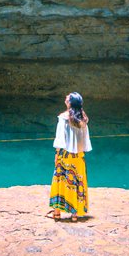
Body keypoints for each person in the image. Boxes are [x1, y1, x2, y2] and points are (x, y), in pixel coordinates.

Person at [47, 92, 92, 221]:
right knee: (77, 182)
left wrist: (57, 154)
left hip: (65, 155)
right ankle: (75, 214)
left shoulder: (63, 118)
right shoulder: (83, 119)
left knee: (60, 181)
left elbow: (60, 139)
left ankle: (57, 212)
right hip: (78, 157)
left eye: (68, 98)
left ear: (70, 103)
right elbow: (85, 140)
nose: (65, 98)